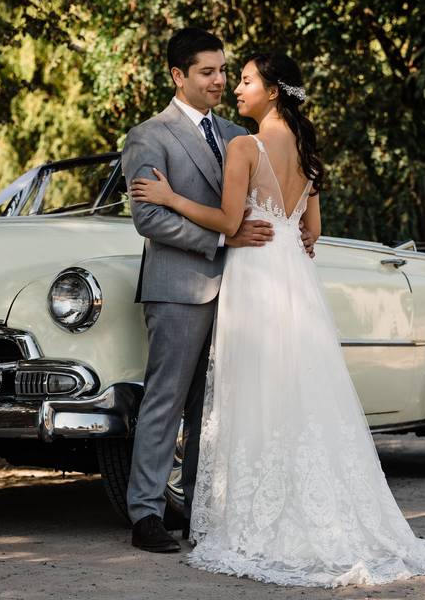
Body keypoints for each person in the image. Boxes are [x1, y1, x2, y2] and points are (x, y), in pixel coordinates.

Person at [130, 52, 425, 587]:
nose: (231, 84)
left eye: (242, 78)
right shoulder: (298, 151)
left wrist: (173, 196)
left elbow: (230, 221)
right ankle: (173, 511)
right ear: (180, 76)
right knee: (283, 394)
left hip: (252, 277)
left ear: (272, 91)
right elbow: (311, 233)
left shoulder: (242, 142)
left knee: (242, 396)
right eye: (220, 74)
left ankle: (233, 514)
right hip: (284, 280)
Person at [121, 29, 316, 554]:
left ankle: (199, 509)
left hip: (242, 294)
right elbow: (149, 217)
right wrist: (221, 236)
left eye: (225, 71)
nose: (220, 81)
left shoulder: (240, 133)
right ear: (177, 76)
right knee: (165, 400)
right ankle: (146, 513)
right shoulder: (149, 135)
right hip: (179, 287)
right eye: (207, 72)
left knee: (213, 408)